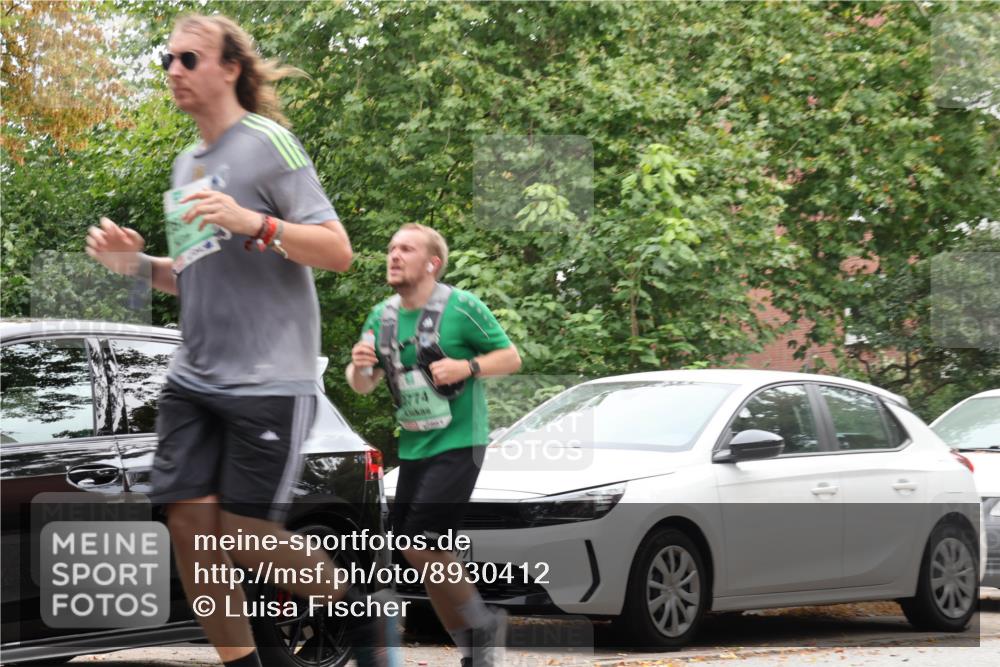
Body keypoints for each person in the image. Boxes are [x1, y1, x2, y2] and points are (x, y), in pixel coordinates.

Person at [85, 14, 397, 667]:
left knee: (241, 535)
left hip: (269, 381)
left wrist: (254, 220)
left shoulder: (268, 143)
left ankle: (353, 601)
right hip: (194, 380)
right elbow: (193, 276)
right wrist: (136, 269)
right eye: (167, 58)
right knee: (190, 530)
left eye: (189, 59)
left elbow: (337, 250)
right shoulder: (185, 166)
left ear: (229, 67)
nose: (174, 69)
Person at [346, 224, 522, 667]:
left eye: (406, 248)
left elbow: (511, 358)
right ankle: (476, 641)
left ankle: (479, 629)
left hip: (461, 440)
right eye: (390, 248)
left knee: (422, 542)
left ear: (432, 263)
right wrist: (359, 366)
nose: (394, 255)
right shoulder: (380, 316)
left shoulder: (462, 307)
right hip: (415, 445)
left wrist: (467, 366)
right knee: (416, 548)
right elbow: (362, 386)